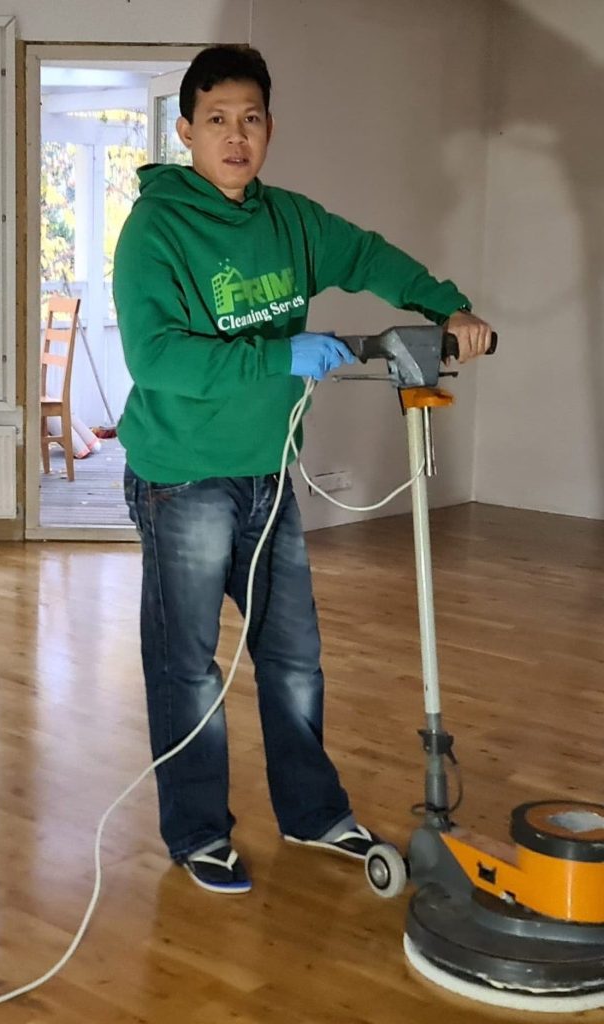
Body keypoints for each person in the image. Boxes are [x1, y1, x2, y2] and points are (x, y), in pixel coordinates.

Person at [113, 45, 493, 895]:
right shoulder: (155, 232)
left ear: (269, 129)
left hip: (269, 475)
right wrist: (280, 355)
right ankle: (198, 832)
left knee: (292, 659)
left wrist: (447, 305)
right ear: (186, 131)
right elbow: (158, 358)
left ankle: (313, 813)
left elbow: (368, 256)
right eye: (217, 119)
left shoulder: (290, 222)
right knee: (188, 669)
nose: (235, 136)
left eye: (250, 119)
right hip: (182, 479)